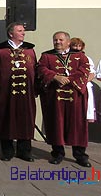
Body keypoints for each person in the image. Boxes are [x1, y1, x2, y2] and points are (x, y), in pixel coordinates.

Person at [37, 31, 91, 166]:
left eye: (61, 40)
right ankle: (57, 153)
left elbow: (84, 71)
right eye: (55, 40)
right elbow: (41, 69)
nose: (57, 42)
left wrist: (67, 80)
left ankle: (80, 155)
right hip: (55, 97)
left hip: (75, 97)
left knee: (77, 125)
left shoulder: (80, 56)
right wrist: (55, 77)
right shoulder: (46, 55)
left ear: (68, 42)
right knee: (56, 124)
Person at [0, 22, 37, 162]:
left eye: (23, 31)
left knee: (26, 121)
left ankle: (25, 151)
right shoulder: (0, 50)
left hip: (25, 94)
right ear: (11, 34)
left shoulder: (30, 50)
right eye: (20, 31)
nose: (23, 33)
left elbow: (35, 70)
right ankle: (7, 151)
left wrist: (36, 89)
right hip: (6, 93)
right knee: (6, 120)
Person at [70, 37, 96, 122]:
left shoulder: (87, 58)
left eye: (79, 46)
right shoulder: (66, 57)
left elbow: (91, 74)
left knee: (84, 113)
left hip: (84, 87)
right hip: (70, 87)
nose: (77, 48)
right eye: (74, 45)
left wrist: (82, 82)